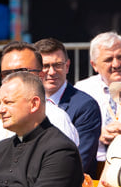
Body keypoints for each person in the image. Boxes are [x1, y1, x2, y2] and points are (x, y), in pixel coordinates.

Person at [0, 42, 79, 160]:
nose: (14, 79)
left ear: (41, 75)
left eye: (22, 72)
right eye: (7, 74)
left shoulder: (56, 120)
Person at [35, 37, 102, 177]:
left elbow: (79, 161)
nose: (52, 72)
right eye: (45, 66)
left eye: (58, 65)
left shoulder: (86, 107)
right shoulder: (26, 102)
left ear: (67, 66)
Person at [74, 32, 121, 162]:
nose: (116, 64)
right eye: (108, 59)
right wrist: (94, 134)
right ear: (94, 65)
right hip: (95, 163)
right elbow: (70, 130)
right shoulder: (83, 89)